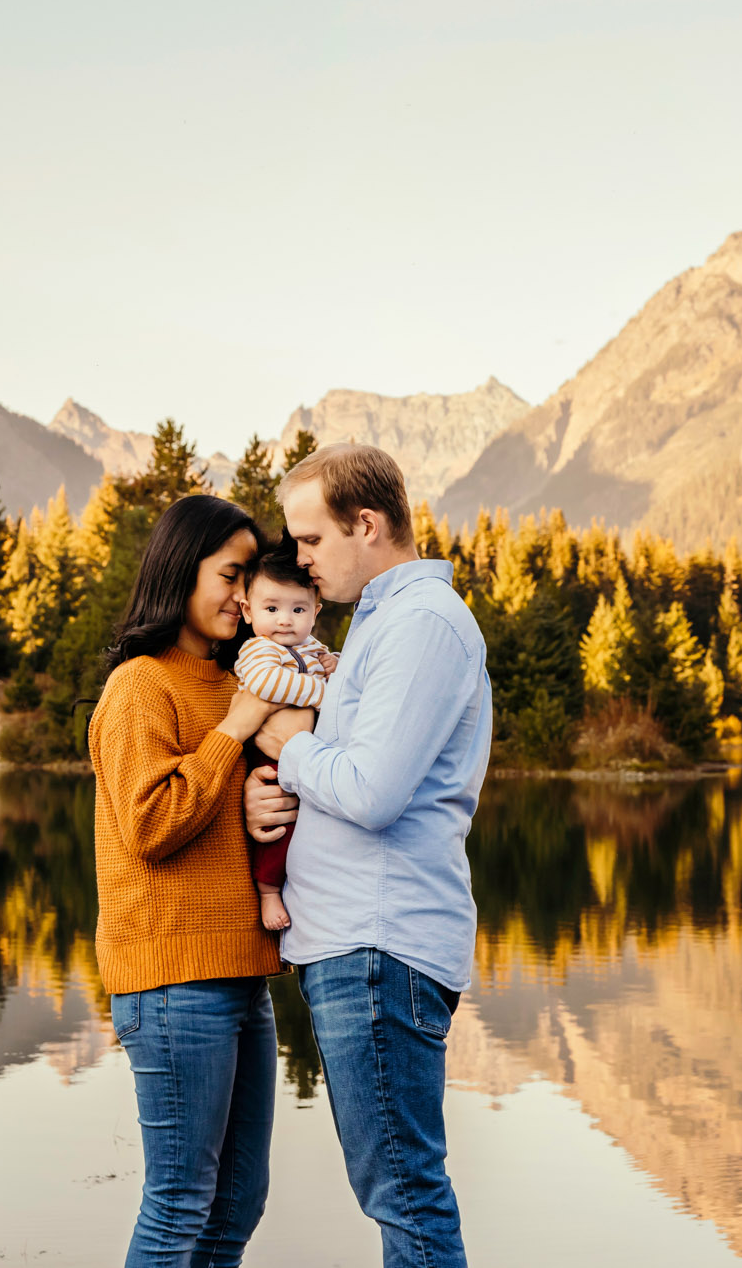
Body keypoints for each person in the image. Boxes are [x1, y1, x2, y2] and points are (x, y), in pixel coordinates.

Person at [244, 444, 492, 1268]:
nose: (303, 564)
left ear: (368, 524)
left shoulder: (420, 624)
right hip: (362, 946)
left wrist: (289, 741)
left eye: (311, 542)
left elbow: (374, 790)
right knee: (398, 1192)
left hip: (380, 945)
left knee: (404, 1195)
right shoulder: (387, 622)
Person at [89, 494, 286, 1268]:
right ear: (181, 570)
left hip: (241, 973)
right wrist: (234, 732)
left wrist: (261, 802)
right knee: (178, 1207)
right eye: (231, 575)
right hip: (173, 980)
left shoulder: (235, 679)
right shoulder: (142, 686)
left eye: (249, 578)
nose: (244, 596)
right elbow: (151, 825)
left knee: (237, 1203)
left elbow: (215, 813)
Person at [231, 542, 339, 932]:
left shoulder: (310, 647)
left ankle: (300, 889)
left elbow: (330, 669)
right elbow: (265, 683)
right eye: (271, 608)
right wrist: (326, 695)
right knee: (276, 827)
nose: (285, 621)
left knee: (304, 825)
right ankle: (268, 890)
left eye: (298, 609)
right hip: (269, 758)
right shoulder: (258, 649)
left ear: (315, 612)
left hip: (307, 754)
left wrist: (333, 666)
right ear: (248, 611)